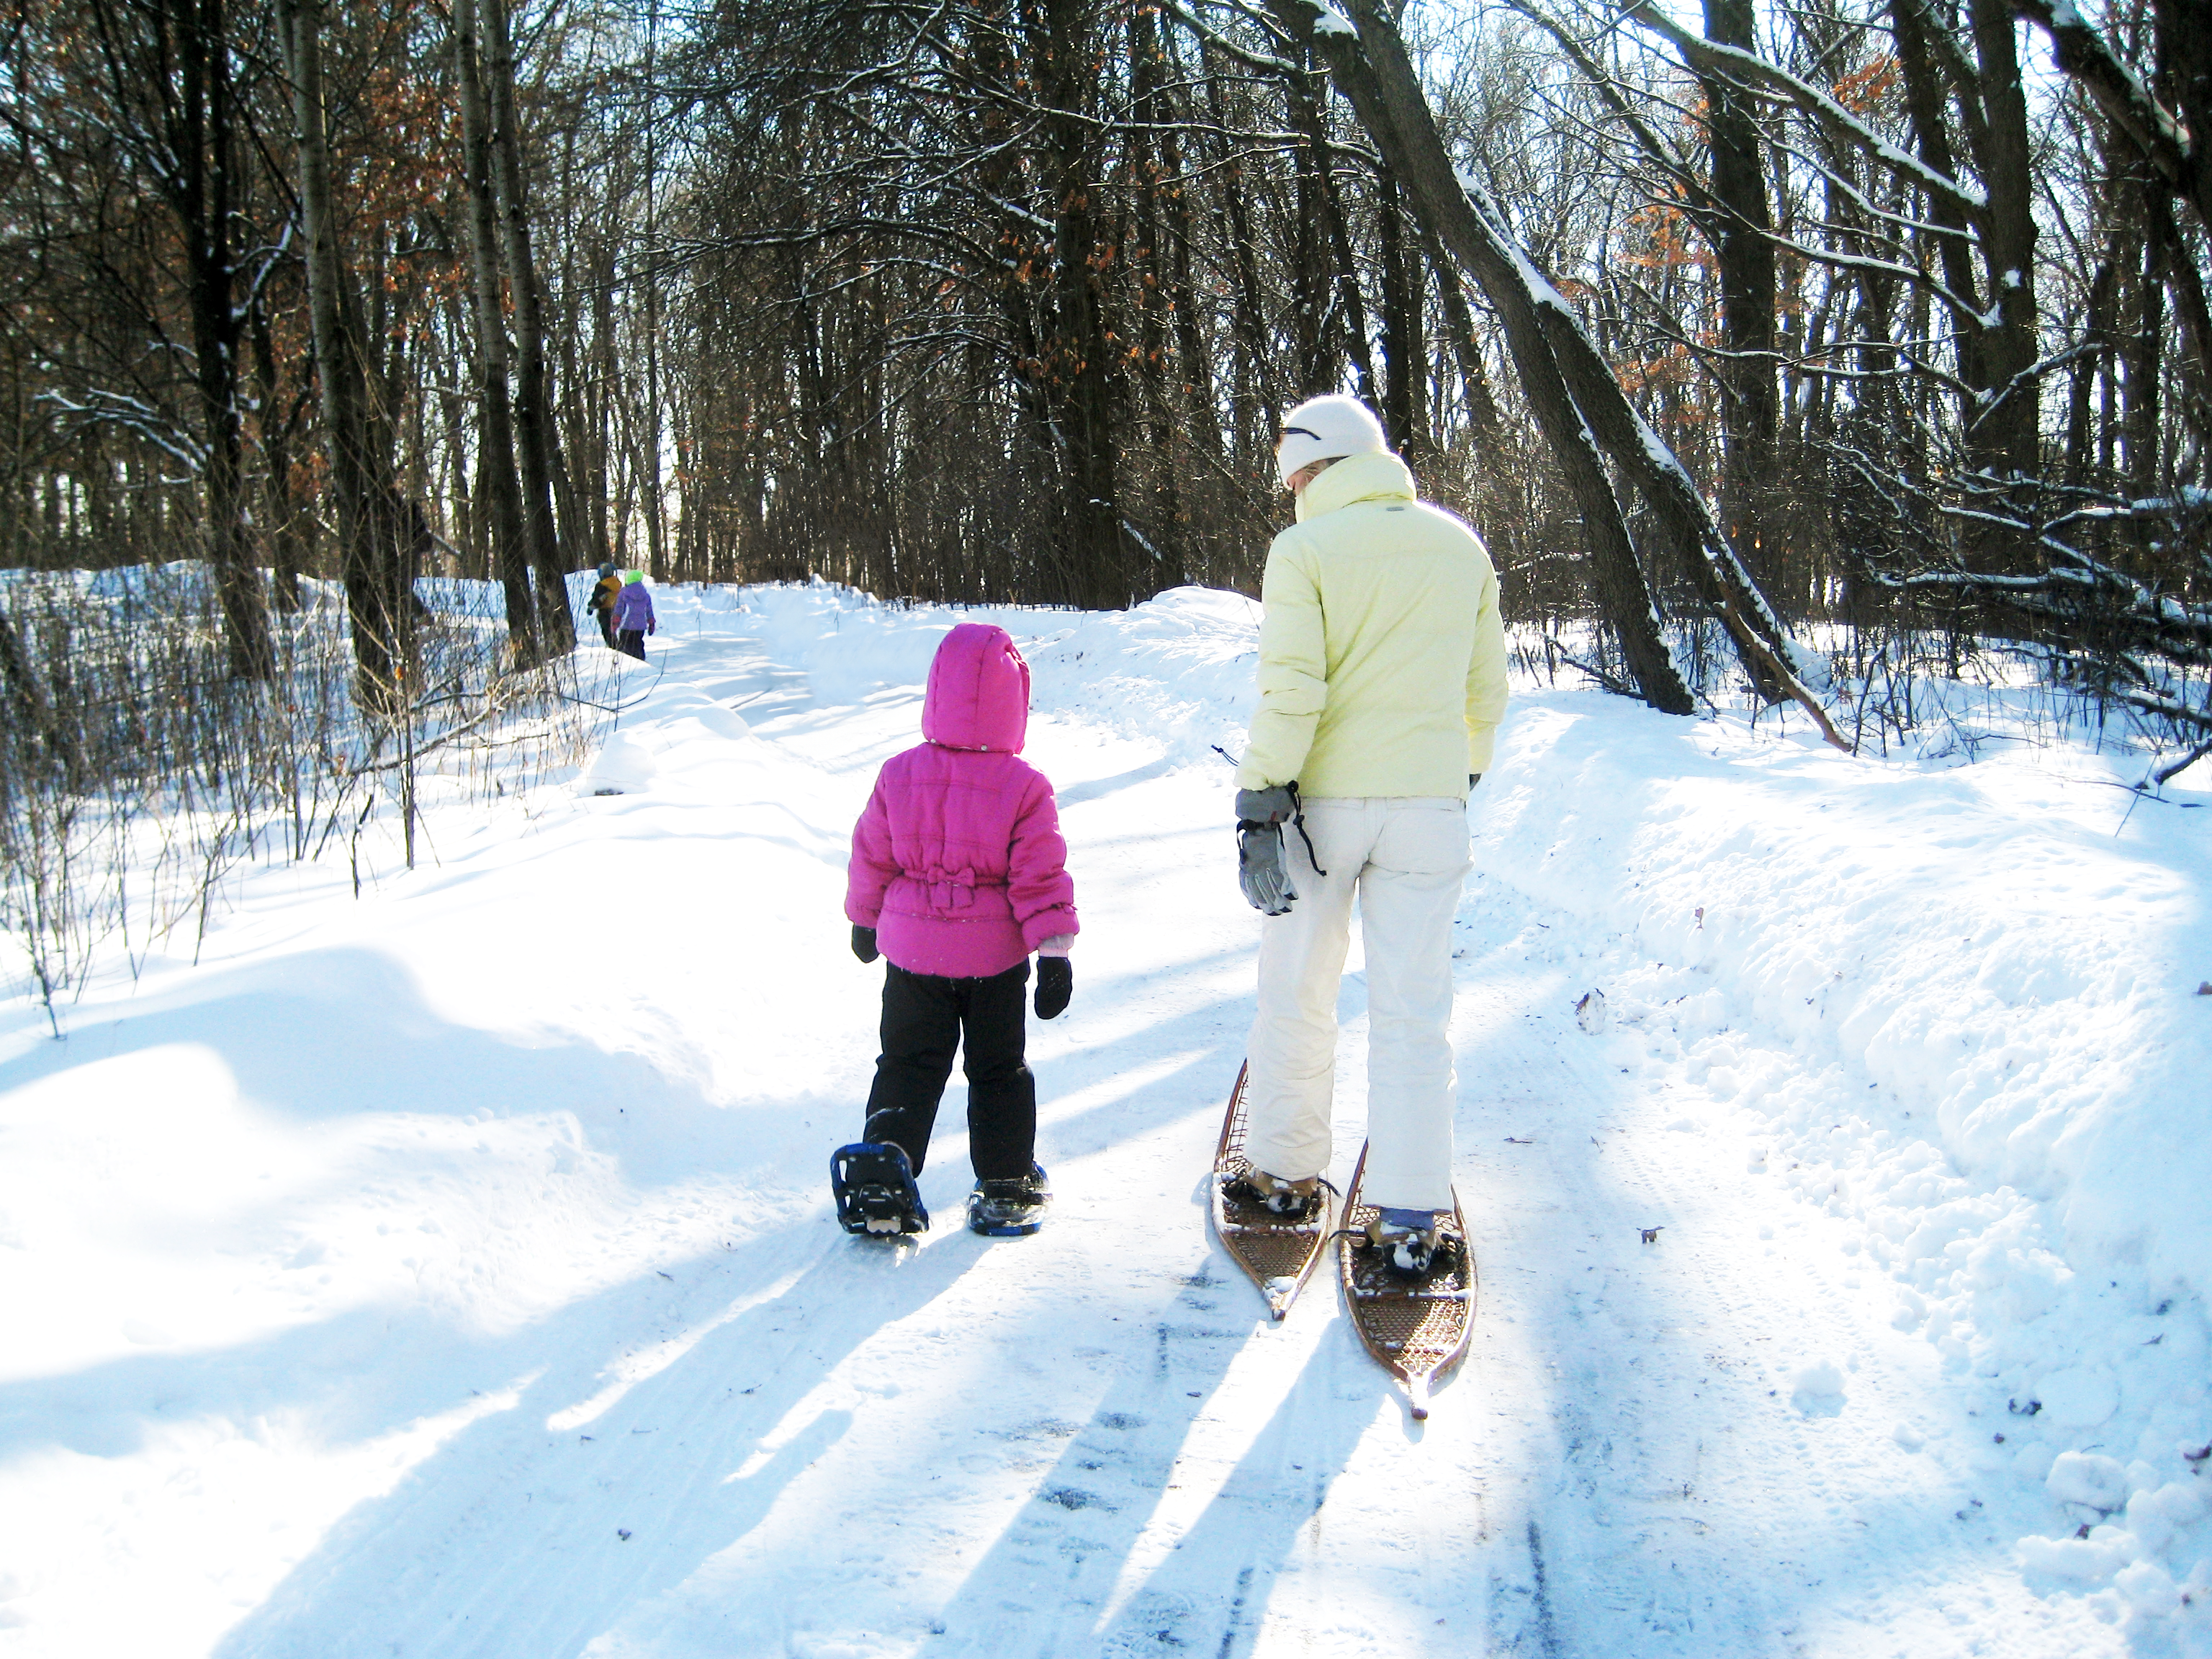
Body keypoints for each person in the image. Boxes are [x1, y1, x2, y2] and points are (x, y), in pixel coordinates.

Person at [1231, 394, 1506, 1278]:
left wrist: (1259, 799)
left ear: (1318, 469)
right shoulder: (1460, 546)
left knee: (1299, 992)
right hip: (1429, 808)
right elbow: (1484, 692)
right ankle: (1411, 1212)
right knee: (1415, 1012)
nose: (1293, 492)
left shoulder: (1303, 552)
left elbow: (1293, 688)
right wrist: (1454, 774)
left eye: (1296, 476)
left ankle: (1282, 1172)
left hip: (1320, 812)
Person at [842, 622, 1078, 1236]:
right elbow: (1040, 875)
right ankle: (1004, 1183)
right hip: (992, 963)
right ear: (1015, 703)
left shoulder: (898, 774)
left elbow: (872, 853)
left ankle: (882, 1168)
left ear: (936, 691)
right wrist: (1053, 953)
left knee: (908, 1062)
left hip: (913, 958)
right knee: (997, 1068)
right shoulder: (1025, 789)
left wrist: (865, 920)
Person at [611, 569, 655, 660]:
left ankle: (626, 663)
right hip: (640, 626)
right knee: (638, 644)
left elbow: (619, 610)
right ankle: (641, 661)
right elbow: (649, 611)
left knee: (625, 645)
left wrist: (615, 624)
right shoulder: (645, 594)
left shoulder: (623, 593)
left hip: (626, 625)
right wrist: (651, 623)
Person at [586, 561, 622, 648]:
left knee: (607, 632)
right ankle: (618, 647)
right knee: (613, 631)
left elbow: (598, 599)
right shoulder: (617, 582)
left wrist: (591, 607)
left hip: (605, 612)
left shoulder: (602, 585)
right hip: (616, 610)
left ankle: (615, 649)